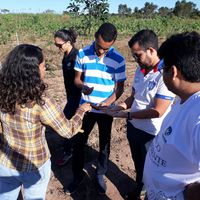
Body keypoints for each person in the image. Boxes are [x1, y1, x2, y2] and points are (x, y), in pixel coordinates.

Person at [0, 44, 91, 200]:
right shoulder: (41, 102)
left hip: (6, 163)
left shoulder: (3, 92)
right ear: (32, 71)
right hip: (34, 165)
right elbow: (68, 131)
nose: (45, 69)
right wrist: (81, 111)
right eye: (43, 65)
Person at [105, 29, 175, 200]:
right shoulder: (140, 70)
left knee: (151, 168)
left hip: (151, 133)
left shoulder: (164, 74)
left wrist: (128, 116)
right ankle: (140, 189)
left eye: (138, 55)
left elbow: (158, 110)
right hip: (134, 126)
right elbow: (134, 97)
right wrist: (119, 107)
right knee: (139, 164)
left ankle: (148, 193)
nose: (135, 59)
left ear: (151, 50)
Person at [65, 22, 126, 195]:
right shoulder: (83, 53)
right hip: (85, 109)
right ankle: (77, 177)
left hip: (106, 111)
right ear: (95, 36)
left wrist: (108, 102)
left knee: (104, 143)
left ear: (113, 43)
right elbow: (77, 79)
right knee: (79, 143)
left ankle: (100, 174)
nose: (100, 51)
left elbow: (119, 88)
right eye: (99, 47)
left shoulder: (119, 59)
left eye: (105, 49)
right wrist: (82, 86)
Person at [143, 31, 200, 200]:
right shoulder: (186, 99)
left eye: (162, 68)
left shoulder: (198, 116)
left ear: (173, 72)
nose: (161, 73)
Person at [54, 28, 81, 166]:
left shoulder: (77, 56)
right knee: (71, 122)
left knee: (66, 121)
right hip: (71, 95)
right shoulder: (66, 56)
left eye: (60, 45)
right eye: (56, 45)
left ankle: (69, 151)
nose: (58, 48)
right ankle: (73, 148)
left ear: (68, 42)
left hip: (78, 97)